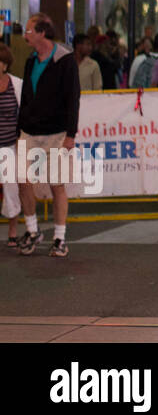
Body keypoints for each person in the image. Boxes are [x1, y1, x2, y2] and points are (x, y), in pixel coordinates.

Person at [16, 13, 80, 258]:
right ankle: (32, 230)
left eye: (29, 31)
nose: (25, 36)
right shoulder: (31, 60)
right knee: (23, 180)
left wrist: (70, 134)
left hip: (57, 132)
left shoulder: (65, 60)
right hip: (30, 131)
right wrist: (20, 127)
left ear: (42, 32)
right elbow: (27, 96)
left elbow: (73, 98)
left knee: (57, 184)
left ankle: (59, 237)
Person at [0, 44, 22, 249]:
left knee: (11, 189)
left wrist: (20, 141)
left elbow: (24, 115)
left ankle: (13, 231)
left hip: (9, 145)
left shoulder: (17, 85)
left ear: (5, 65)